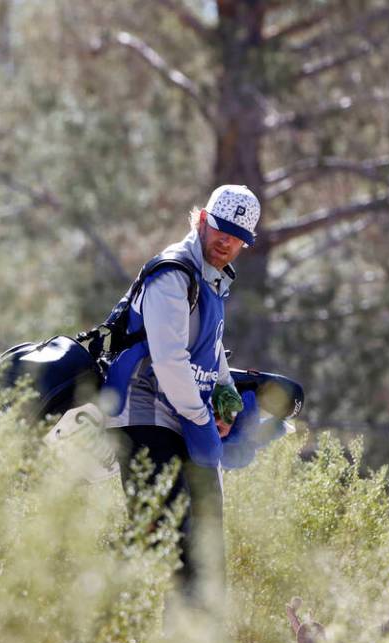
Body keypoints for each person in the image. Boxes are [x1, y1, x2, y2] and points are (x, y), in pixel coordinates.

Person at [103, 184, 262, 609]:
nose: (227, 241)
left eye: (237, 238)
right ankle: (97, 623)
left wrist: (226, 397)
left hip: (184, 418)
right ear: (202, 220)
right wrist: (201, 418)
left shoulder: (214, 280)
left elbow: (210, 351)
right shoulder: (173, 274)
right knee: (167, 533)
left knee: (205, 541)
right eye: (221, 229)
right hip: (145, 416)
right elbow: (170, 360)